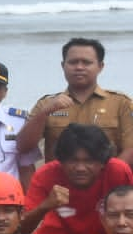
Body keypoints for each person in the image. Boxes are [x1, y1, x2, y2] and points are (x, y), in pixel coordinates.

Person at [21, 124, 133, 234]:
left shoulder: (118, 171)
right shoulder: (45, 175)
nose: (80, 168)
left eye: (89, 161)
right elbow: (21, 230)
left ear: (103, 162)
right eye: (73, 160)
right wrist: (44, 206)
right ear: (60, 161)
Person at [18, 37, 133, 167]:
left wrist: (108, 175)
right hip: (59, 183)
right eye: (73, 62)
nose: (79, 67)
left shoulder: (121, 103)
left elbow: (130, 149)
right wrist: (44, 114)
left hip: (107, 181)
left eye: (86, 62)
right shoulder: (46, 104)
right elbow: (23, 147)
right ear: (63, 66)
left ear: (100, 67)